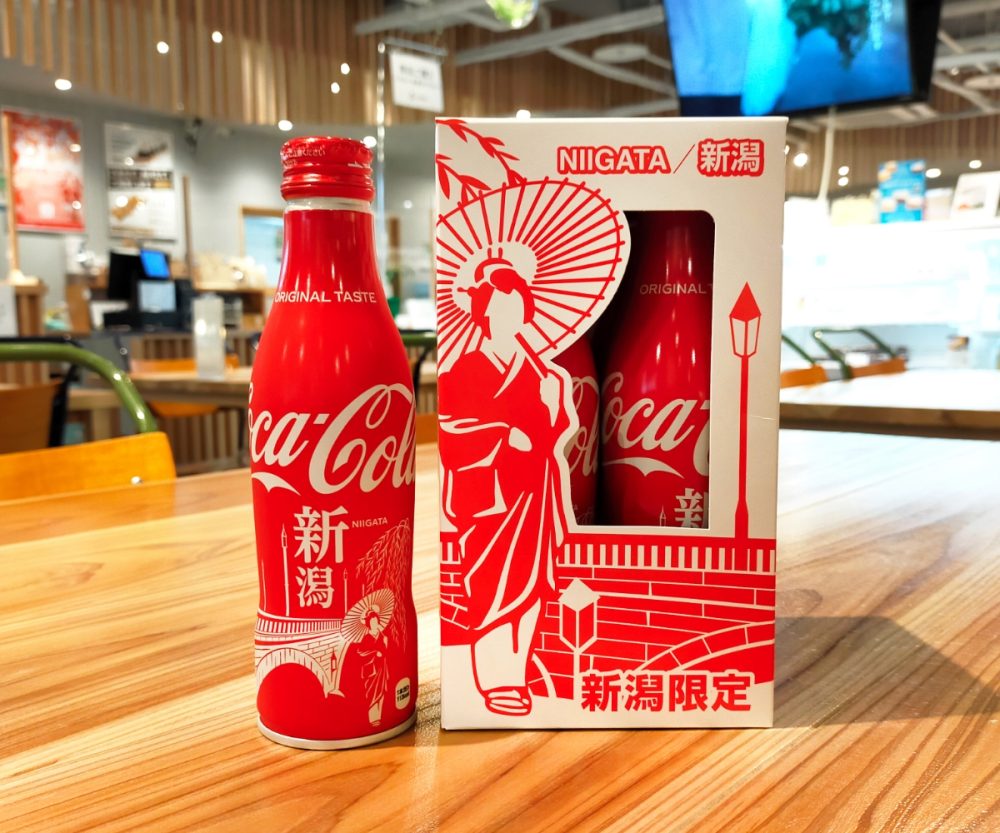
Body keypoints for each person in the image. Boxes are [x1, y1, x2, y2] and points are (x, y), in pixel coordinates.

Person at [439, 256, 571, 716]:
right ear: (483, 314)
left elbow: (556, 438)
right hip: (490, 500)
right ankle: (496, 681)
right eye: (498, 309)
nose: (507, 318)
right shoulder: (465, 367)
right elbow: (451, 431)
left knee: (531, 589)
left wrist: (554, 406)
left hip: (535, 492)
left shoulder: (543, 374)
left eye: (515, 309)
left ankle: (518, 674)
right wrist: (501, 434)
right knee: (491, 587)